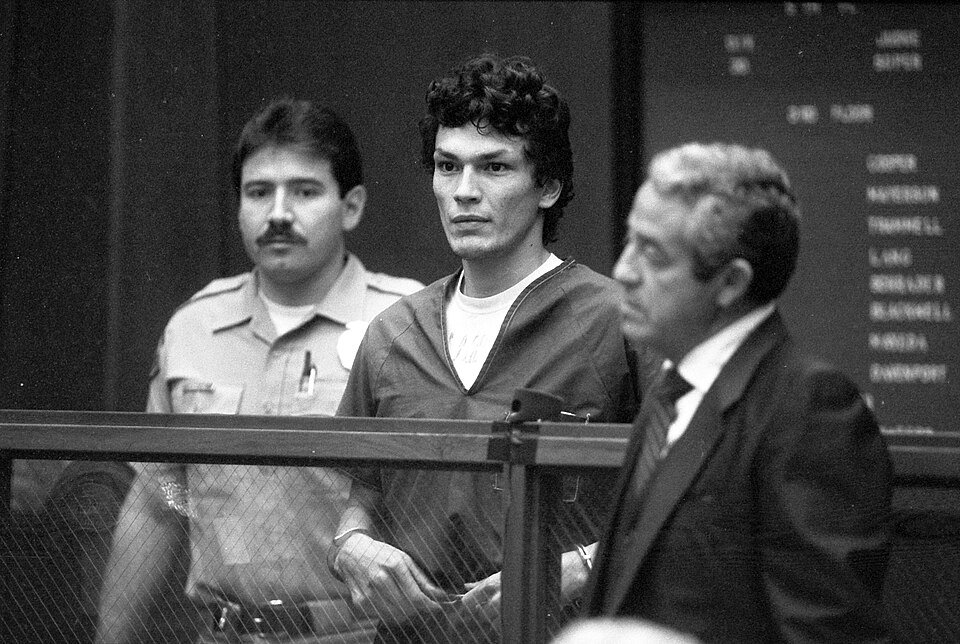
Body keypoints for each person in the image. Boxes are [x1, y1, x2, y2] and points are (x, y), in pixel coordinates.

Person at [327, 54, 650, 643]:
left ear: (548, 186)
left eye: (494, 168)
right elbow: (362, 494)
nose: (463, 193)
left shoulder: (617, 322)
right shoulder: (394, 333)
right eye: (447, 167)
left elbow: (686, 499)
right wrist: (351, 545)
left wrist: (577, 567)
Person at [96, 98, 423, 644]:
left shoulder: (405, 324)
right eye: (258, 192)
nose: (278, 213)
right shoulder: (193, 327)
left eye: (305, 191)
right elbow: (158, 502)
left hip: (362, 637)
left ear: (352, 206)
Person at [583, 142, 893, 641]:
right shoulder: (671, 390)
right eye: (629, 241)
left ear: (730, 283)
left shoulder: (809, 407)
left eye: (653, 254)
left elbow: (829, 635)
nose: (623, 271)